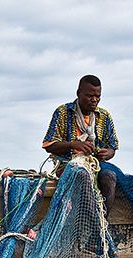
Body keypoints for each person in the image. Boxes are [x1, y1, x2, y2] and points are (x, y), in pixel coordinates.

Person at [42, 75, 119, 214]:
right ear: (78, 93)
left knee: (110, 177)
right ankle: (93, 221)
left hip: (95, 165)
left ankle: (102, 221)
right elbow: (49, 145)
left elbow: (112, 147)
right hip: (67, 165)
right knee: (82, 175)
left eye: (98, 96)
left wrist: (108, 153)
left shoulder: (104, 116)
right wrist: (73, 145)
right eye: (90, 95)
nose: (94, 100)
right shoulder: (63, 113)